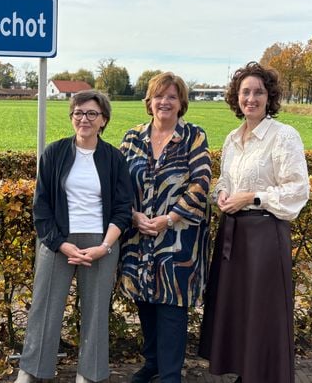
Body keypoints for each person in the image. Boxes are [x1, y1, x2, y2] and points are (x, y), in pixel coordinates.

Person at [198, 61, 310, 383]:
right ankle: (246, 374)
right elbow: (225, 181)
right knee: (239, 311)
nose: (251, 98)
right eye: (245, 92)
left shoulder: (283, 136)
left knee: (263, 313)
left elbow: (297, 189)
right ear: (237, 98)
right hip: (233, 236)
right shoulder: (233, 138)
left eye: (258, 92)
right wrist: (221, 195)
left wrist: (251, 197)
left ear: (269, 97)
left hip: (265, 236)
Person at [15, 90, 133, 383]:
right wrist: (60, 243)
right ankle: (31, 371)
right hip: (58, 242)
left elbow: (122, 209)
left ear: (103, 119)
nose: (84, 119)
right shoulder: (54, 153)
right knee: (44, 309)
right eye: (78, 113)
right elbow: (41, 206)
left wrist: (105, 247)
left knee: (95, 313)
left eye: (92, 113)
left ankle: (88, 375)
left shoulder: (114, 158)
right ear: (71, 117)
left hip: (100, 243)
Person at [118, 72, 211, 383]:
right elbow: (118, 184)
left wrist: (168, 218)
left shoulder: (194, 136)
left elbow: (201, 184)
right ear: (150, 101)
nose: (165, 102)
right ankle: (153, 363)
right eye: (159, 96)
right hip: (137, 236)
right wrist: (132, 215)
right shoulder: (132, 138)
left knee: (171, 304)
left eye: (172, 96)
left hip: (177, 238)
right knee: (144, 299)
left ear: (181, 102)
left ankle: (171, 374)